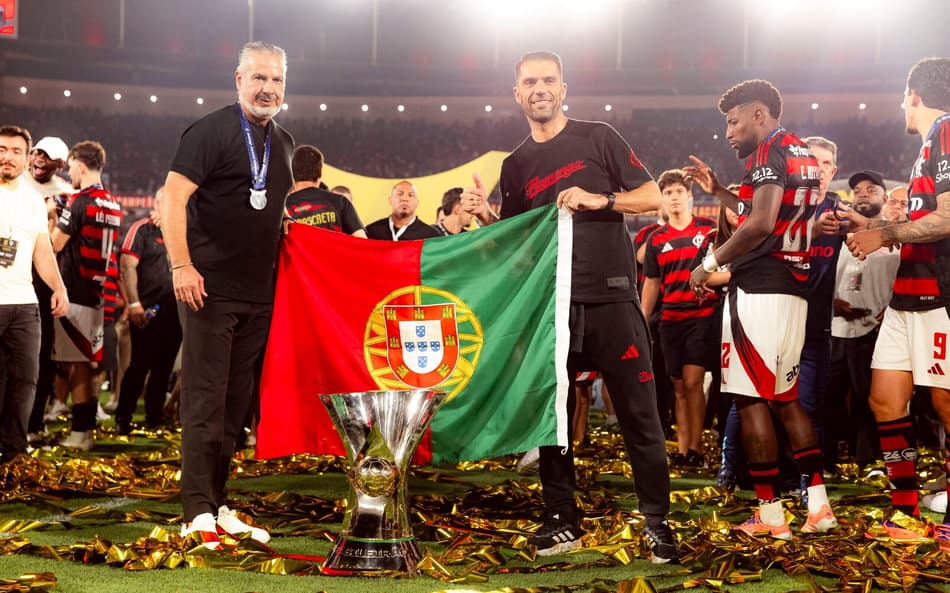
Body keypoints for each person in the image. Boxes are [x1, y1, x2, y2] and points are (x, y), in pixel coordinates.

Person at [462, 51, 678, 563]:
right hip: (552, 307)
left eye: (548, 80)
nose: (539, 88)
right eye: (529, 81)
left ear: (563, 88)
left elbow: (652, 197)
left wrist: (599, 200)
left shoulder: (598, 136)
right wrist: (484, 218)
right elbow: (516, 244)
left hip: (612, 298)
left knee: (640, 418)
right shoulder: (514, 165)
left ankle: (657, 524)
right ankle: (562, 520)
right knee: (552, 419)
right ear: (516, 93)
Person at [685, 79, 838, 538]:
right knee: (787, 400)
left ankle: (771, 517)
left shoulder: (766, 152)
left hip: (759, 291)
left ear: (758, 115)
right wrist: (719, 191)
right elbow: (768, 213)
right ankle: (819, 507)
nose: (728, 133)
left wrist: (707, 264)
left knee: (750, 400)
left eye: (733, 122)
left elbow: (761, 224)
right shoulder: (801, 153)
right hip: (792, 290)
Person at [162, 41, 294, 549]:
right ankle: (195, 510)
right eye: (259, 78)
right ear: (238, 80)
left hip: (259, 295)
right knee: (205, 399)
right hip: (206, 289)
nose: (268, 88)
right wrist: (181, 264)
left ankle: (218, 502)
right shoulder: (209, 131)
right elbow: (172, 197)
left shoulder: (283, 141)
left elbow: (267, 212)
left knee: (237, 405)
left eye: (277, 80)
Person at [844, 57, 950, 548]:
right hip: (906, 299)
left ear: (913, 94)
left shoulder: (947, 130)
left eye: (901, 97)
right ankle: (906, 511)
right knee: (885, 401)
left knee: (947, 405)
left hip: (939, 296)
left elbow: (949, 217)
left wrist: (883, 230)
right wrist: (885, 234)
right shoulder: (930, 144)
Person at [0, 125, 69, 462]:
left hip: (24, 303)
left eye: (15, 151)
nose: (7, 157)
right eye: (1, 149)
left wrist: (59, 287)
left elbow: (42, 250)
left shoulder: (33, 201)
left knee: (26, 379)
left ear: (27, 159)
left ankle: (14, 451)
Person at [640, 169, 717, 467]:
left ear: (690, 196)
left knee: (693, 381)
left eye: (679, 192)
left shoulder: (709, 229)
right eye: (668, 193)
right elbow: (651, 283)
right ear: (662, 199)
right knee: (678, 387)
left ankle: (696, 448)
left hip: (702, 315)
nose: (674, 198)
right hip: (670, 320)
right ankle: (684, 450)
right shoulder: (656, 239)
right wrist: (642, 319)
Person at [50, 140, 122, 451]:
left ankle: (82, 432)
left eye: (70, 167)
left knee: (77, 365)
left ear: (81, 166)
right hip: (97, 292)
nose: (69, 173)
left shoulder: (80, 201)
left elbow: (54, 245)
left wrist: (52, 215)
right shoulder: (112, 202)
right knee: (86, 363)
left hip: (75, 290)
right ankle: (85, 429)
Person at [824, 171, 899, 471]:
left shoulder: (895, 237)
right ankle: (827, 457)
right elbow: (824, 279)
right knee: (828, 398)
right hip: (839, 329)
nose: (863, 194)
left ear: (884, 197)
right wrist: (832, 303)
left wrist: (893, 307)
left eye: (871, 189)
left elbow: (906, 278)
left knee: (871, 398)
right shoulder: (837, 239)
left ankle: (870, 459)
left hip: (877, 330)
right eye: (857, 190)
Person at [114, 189, 182, 434]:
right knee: (139, 364)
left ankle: (154, 417)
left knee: (164, 367)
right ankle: (123, 416)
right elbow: (127, 266)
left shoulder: (183, 231)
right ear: (157, 203)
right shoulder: (142, 228)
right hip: (146, 309)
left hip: (175, 311)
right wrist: (133, 303)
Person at [17, 136, 72, 439]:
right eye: (36, 152)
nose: (39, 159)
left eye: (47, 156)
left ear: (60, 164)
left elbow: (54, 247)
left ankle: (34, 422)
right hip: (10, 278)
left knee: (40, 357)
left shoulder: (66, 194)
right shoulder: (12, 182)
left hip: (44, 283)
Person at [797, 136, 844, 472]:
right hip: (779, 318)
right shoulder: (782, 208)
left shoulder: (843, 216)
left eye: (827, 164)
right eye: (814, 161)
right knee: (754, 401)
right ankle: (737, 470)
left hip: (820, 325)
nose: (821, 170)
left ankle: (808, 475)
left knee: (812, 401)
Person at [285, 145, 366, 236]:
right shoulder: (340, 202)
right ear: (320, 175)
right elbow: (361, 240)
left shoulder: (282, 209)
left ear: (291, 174)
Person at [364, 180, 440, 240]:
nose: (404, 199)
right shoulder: (372, 231)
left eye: (410, 195)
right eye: (400, 194)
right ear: (390, 200)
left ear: (417, 203)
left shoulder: (431, 236)